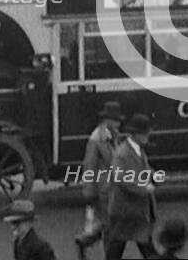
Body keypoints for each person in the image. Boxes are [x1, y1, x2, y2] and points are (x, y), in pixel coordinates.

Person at [75, 101, 125, 259]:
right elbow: (89, 167)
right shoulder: (97, 139)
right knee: (110, 227)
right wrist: (89, 193)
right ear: (107, 120)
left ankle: (85, 241)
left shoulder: (112, 136)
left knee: (109, 225)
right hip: (103, 191)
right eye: (116, 120)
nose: (119, 123)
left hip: (112, 190)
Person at [106, 114, 158, 260]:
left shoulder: (137, 150)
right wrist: (144, 189)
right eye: (146, 133)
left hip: (134, 211)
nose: (148, 136)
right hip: (126, 210)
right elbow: (121, 178)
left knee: (123, 244)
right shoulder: (122, 154)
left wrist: (154, 176)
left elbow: (144, 168)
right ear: (137, 134)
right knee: (121, 245)